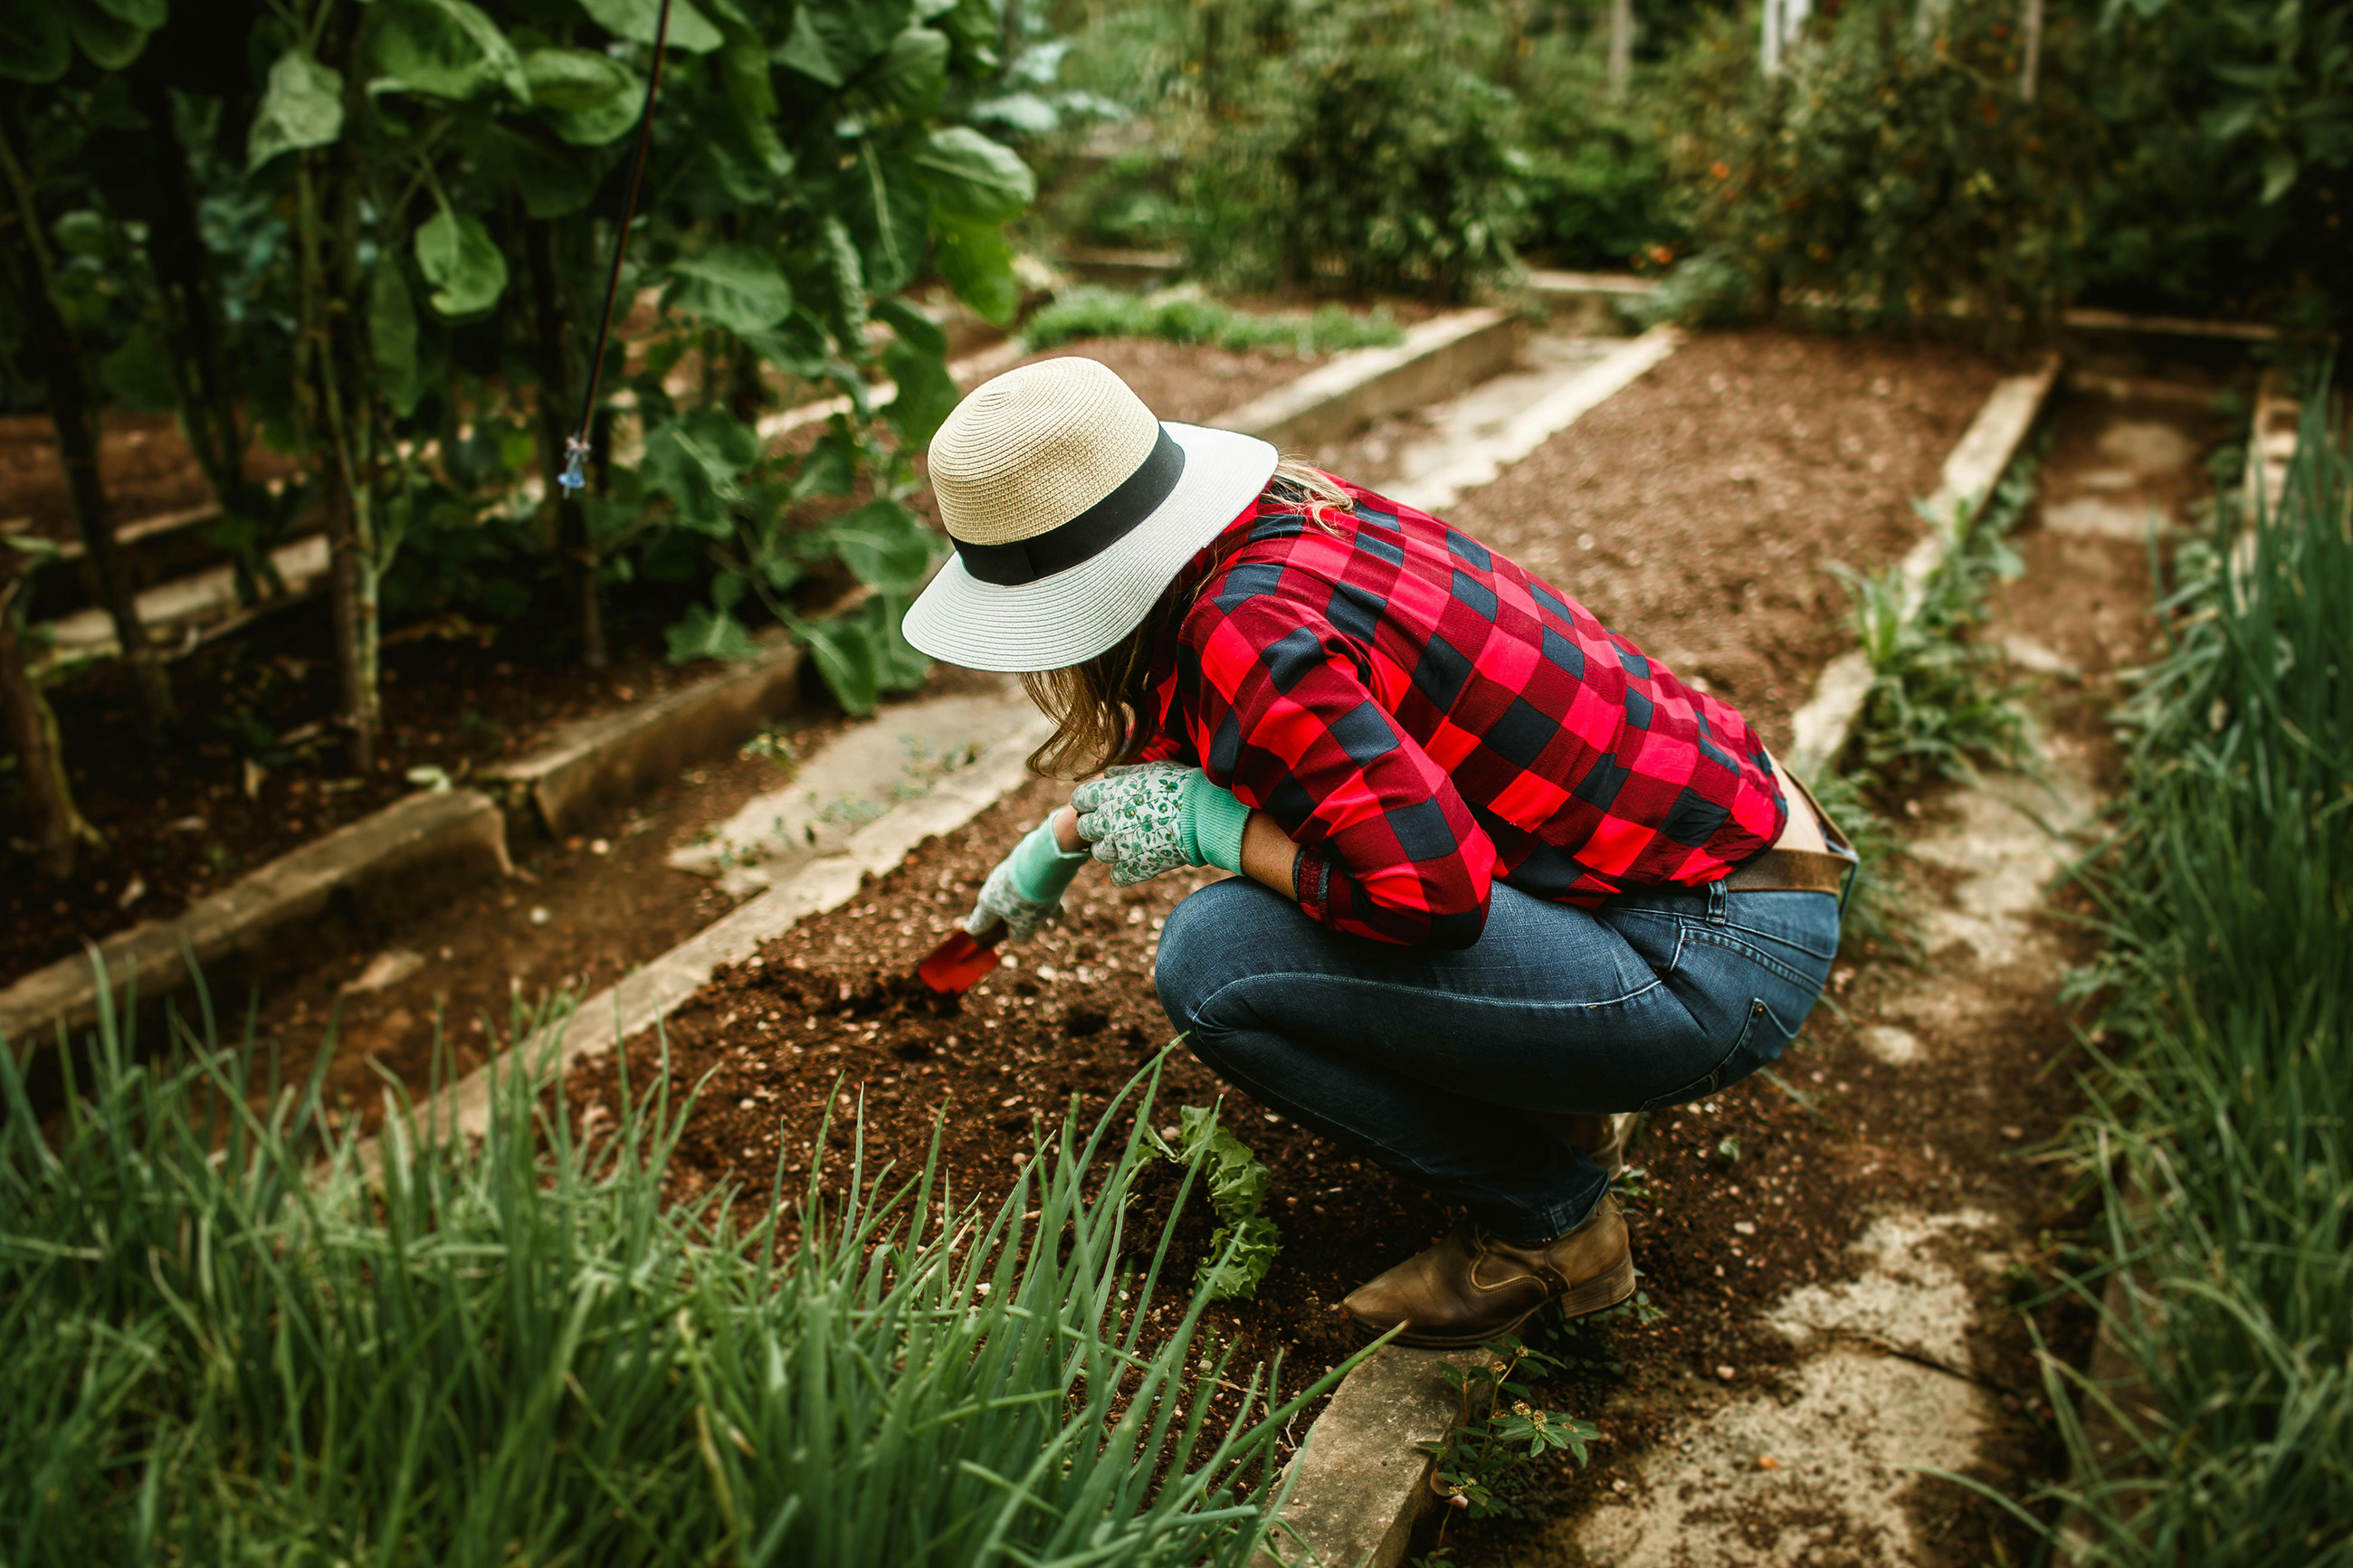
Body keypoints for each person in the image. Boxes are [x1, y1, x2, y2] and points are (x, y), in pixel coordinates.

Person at [900, 356, 1854, 1348]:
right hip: (1739, 860)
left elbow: (1431, 895)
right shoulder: (1288, 521)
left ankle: (1552, 1223)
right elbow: (1288, 734)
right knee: (1264, 918)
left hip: (1705, 958)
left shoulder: (1245, 628)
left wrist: (1208, 828)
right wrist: (1049, 850)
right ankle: (1560, 1101)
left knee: (1217, 960)